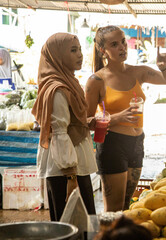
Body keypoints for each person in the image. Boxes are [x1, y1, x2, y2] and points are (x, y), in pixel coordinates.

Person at [85, 25, 166, 211]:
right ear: (103, 50)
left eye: (123, 41)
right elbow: (86, 122)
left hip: (136, 143)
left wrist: (164, 66)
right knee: (114, 210)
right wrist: (116, 118)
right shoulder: (96, 81)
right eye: (114, 44)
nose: (122, 47)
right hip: (112, 144)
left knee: (127, 207)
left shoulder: (138, 72)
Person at [32, 33, 98, 221]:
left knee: (81, 223)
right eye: (73, 50)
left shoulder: (69, 83)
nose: (80, 55)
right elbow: (59, 132)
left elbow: (68, 123)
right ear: (57, 55)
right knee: (70, 225)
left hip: (73, 166)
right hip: (66, 170)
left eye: (80, 49)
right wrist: (71, 178)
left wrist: (86, 122)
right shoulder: (57, 89)